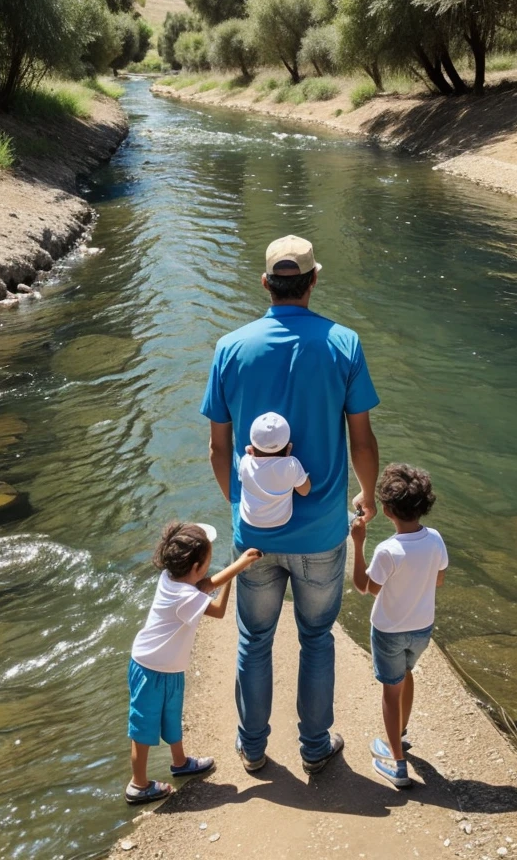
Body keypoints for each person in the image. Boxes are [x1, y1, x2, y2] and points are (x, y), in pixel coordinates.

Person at [200, 235, 380, 774]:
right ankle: (314, 745)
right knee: (317, 638)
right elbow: (362, 441)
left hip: (254, 535)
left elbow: (218, 447)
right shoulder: (343, 343)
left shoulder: (230, 348)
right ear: (313, 280)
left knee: (254, 639)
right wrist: (367, 497)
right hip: (322, 531)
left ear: (265, 283)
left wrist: (240, 501)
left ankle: (253, 748)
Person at [126, 522, 261, 804]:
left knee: (172, 717)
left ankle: (180, 763)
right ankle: (138, 785)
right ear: (197, 566)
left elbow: (204, 585)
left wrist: (232, 568)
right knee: (143, 729)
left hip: (169, 668)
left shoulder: (171, 577)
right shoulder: (183, 596)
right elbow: (219, 610)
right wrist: (235, 573)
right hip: (150, 668)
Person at [351, 463, 448, 788]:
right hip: (422, 629)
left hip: (389, 630)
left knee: (389, 693)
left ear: (388, 510)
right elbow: (439, 579)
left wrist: (359, 542)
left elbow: (366, 587)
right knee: (406, 675)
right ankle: (401, 736)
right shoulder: (435, 539)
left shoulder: (387, 550)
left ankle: (397, 763)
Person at [238, 411, 311, 530]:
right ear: (289, 447)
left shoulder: (245, 462)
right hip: (281, 519)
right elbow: (305, 490)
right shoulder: (291, 465)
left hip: (249, 519)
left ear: (251, 448)